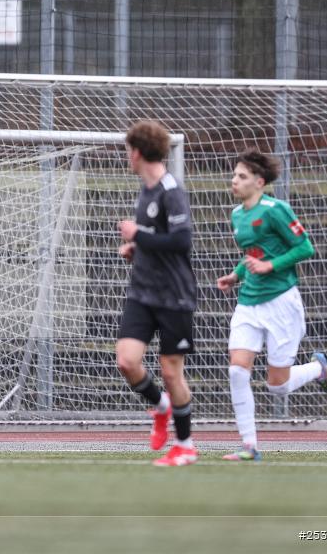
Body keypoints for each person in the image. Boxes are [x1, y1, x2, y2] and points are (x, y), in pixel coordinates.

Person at [216, 147, 327, 462]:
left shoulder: (276, 209)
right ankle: (249, 447)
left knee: (278, 387)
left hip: (282, 303)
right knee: (236, 371)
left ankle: (318, 369)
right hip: (249, 303)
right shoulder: (237, 214)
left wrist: (271, 267)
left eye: (241, 176)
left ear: (259, 181)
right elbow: (255, 254)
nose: (235, 180)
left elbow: (305, 248)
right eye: (234, 175)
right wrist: (236, 274)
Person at [115, 120, 198, 467]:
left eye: (128, 151)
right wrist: (135, 248)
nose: (127, 157)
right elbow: (153, 237)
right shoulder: (146, 191)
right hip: (142, 293)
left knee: (170, 372)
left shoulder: (170, 190)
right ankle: (161, 407)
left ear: (137, 152)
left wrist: (138, 236)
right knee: (126, 361)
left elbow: (181, 241)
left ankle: (185, 446)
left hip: (174, 296)